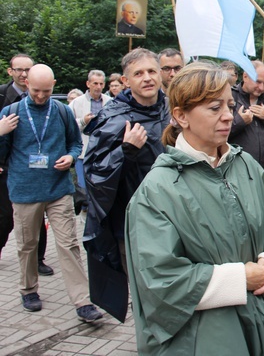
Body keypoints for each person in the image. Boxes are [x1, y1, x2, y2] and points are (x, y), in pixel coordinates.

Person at [125, 61, 264, 355]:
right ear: (180, 116)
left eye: (229, 105)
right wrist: (239, 279)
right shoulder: (157, 190)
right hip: (206, 335)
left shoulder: (246, 165)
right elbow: (159, 279)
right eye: (214, 108)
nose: (228, 116)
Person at [0, 64, 103, 321]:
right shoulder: (10, 112)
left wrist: (70, 156)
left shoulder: (61, 111)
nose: (40, 96)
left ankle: (82, 301)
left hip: (58, 189)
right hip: (24, 190)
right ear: (27, 85)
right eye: (35, 90)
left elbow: (75, 142)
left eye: (46, 91)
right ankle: (28, 290)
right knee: (27, 245)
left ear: (54, 85)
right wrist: (0, 132)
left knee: (69, 244)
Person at [83, 48, 169, 318]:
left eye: (152, 71)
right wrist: (125, 151)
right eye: (139, 73)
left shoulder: (173, 109)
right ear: (126, 80)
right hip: (132, 222)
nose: (147, 78)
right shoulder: (113, 118)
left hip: (174, 214)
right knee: (145, 289)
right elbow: (94, 173)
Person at [0, 54, 52, 276]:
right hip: (5, 168)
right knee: (4, 216)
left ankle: (38, 259)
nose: (23, 74)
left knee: (37, 216)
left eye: (27, 70)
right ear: (10, 71)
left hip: (34, 169)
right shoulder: (2, 95)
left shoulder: (45, 100)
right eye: (18, 69)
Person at [229, 60, 264, 174]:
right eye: (258, 82)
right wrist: (240, 121)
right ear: (245, 76)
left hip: (263, 170)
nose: (261, 87)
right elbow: (217, 133)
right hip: (237, 171)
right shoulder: (231, 97)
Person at [69, 70, 112, 215]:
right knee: (83, 186)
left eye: (101, 83)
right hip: (84, 151)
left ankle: (98, 212)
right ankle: (85, 213)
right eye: (95, 83)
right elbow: (67, 125)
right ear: (88, 84)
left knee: (101, 184)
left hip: (103, 150)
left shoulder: (110, 102)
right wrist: (83, 121)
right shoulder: (77, 102)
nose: (98, 87)